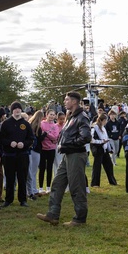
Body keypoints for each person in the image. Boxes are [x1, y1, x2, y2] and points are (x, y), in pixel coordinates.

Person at [37, 91, 91, 227]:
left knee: (76, 187)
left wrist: (68, 144)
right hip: (67, 155)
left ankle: (80, 218)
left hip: (76, 155)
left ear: (74, 101)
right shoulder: (71, 117)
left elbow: (86, 137)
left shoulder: (81, 117)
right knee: (57, 183)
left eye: (67, 100)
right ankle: (52, 214)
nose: (65, 102)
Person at [0, 101, 34, 207]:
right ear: (11, 110)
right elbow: (0, 138)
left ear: (21, 110)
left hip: (23, 155)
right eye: (15, 108)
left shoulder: (26, 124)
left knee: (22, 178)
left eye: (18, 108)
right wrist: (9, 143)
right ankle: (8, 199)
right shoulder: (6, 123)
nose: (17, 110)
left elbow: (31, 139)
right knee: (10, 178)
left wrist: (24, 144)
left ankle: (23, 200)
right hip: (9, 156)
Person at [90, 113, 118, 187]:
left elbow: (106, 137)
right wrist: (101, 142)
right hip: (98, 149)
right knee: (97, 166)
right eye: (106, 120)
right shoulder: (94, 127)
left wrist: (109, 148)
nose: (106, 122)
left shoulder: (103, 127)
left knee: (109, 165)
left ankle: (112, 181)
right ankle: (95, 183)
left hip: (104, 149)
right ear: (103, 120)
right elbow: (92, 140)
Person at [38, 109, 59, 194]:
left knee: (49, 168)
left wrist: (46, 134)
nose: (51, 116)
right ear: (46, 115)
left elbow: (55, 137)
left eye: (53, 115)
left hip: (51, 149)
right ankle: (40, 187)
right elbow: (40, 135)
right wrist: (48, 135)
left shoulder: (55, 126)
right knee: (42, 168)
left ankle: (48, 187)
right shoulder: (41, 124)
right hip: (42, 149)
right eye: (50, 114)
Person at [27, 110, 43, 200]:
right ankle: (32, 189)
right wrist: (45, 134)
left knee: (30, 170)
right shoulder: (38, 127)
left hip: (31, 150)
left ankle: (31, 189)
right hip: (36, 150)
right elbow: (39, 139)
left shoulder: (30, 124)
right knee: (33, 171)